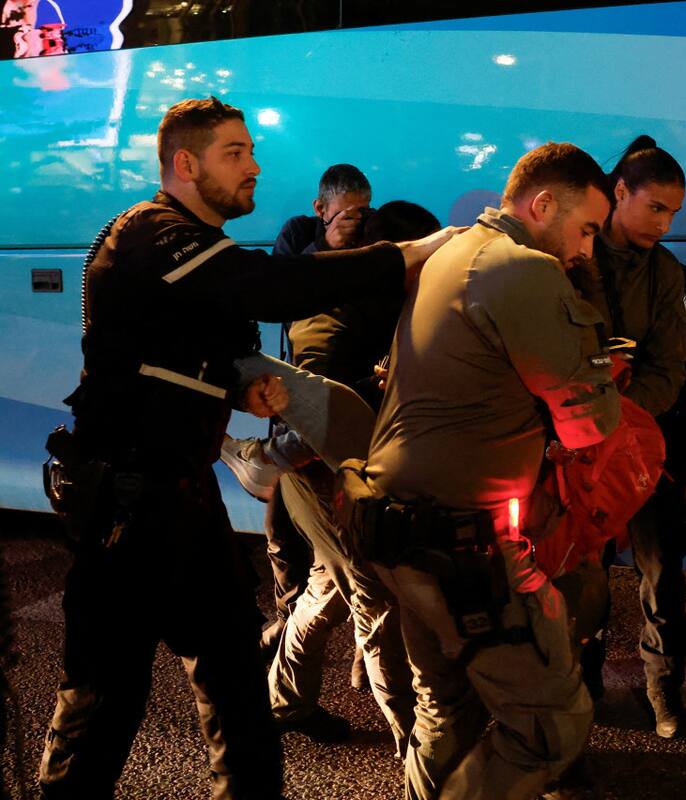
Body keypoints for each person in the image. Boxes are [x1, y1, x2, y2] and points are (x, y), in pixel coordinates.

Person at [38, 96, 453, 799]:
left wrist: (238, 388)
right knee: (103, 704)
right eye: (235, 153)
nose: (254, 166)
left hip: (185, 499)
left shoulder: (199, 252)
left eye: (252, 151)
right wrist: (408, 255)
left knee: (239, 693)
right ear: (185, 163)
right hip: (129, 511)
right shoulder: (154, 232)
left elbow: (177, 343)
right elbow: (271, 288)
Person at [361, 142, 620, 799]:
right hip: (463, 546)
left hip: (398, 528)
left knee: (447, 712)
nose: (587, 249)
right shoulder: (522, 268)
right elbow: (589, 422)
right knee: (550, 727)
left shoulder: (453, 253)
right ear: (543, 205)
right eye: (586, 229)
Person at [266, 201, 441, 752]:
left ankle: (285, 700)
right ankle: (415, 742)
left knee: (329, 591)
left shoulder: (394, 303)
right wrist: (374, 387)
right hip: (320, 473)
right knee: (376, 602)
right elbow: (307, 408)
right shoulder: (333, 312)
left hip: (357, 469)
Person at [570, 135, 686, 739]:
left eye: (673, 213)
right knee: (582, 571)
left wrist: (619, 421)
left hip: (643, 449)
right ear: (619, 192)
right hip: (576, 449)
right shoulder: (573, 256)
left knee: (662, 569)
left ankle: (663, 688)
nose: (665, 224)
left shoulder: (668, 272)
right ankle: (581, 683)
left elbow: (671, 368)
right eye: (656, 208)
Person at [222, 163, 374, 685]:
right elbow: (281, 290)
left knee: (345, 567)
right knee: (287, 541)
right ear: (320, 208)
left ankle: (302, 666)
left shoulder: (374, 243)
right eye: (345, 212)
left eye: (362, 211)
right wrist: (328, 246)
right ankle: (282, 646)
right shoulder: (298, 236)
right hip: (296, 412)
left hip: (342, 418)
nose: (356, 221)